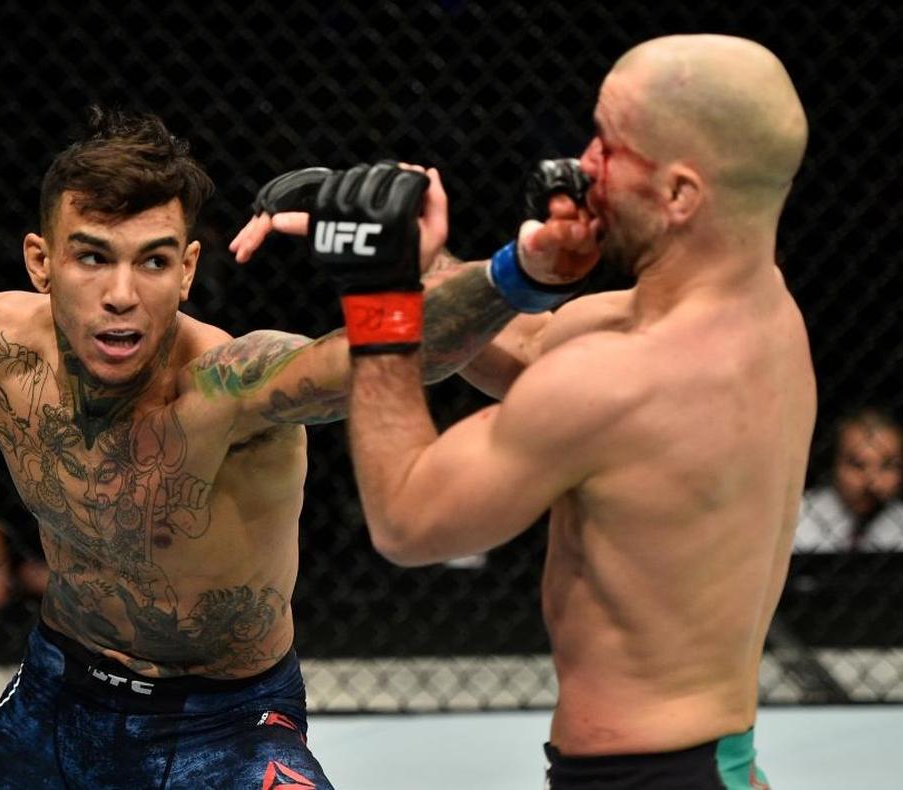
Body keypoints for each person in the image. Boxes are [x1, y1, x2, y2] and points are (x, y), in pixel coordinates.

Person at [0, 108, 520, 787]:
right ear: (42, 262)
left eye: (153, 261)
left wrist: (508, 272)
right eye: (93, 257)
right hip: (56, 694)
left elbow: (399, 355)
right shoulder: (3, 343)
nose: (122, 295)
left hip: (227, 726)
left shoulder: (231, 384)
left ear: (188, 270)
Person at [274, 34, 811, 788]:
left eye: (611, 149)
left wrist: (379, 298)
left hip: (650, 776)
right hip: (711, 760)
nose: (581, 166)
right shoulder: (765, 316)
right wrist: (442, 260)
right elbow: (536, 348)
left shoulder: (626, 379)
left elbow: (407, 518)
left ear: (681, 196)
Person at [794, 408, 903, 552]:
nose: (872, 481)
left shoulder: (899, 520)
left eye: (887, 466)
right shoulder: (795, 517)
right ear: (833, 463)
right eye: (857, 464)